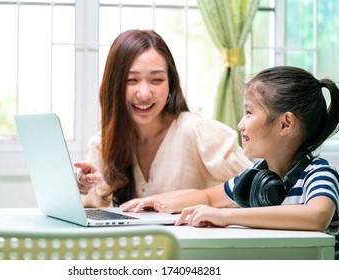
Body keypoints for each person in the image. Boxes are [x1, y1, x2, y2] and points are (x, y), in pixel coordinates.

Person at [121, 66, 339, 259]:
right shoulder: (255, 177)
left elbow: (316, 216)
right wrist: (158, 202)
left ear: (285, 124)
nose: (240, 124)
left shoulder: (319, 174)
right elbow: (208, 197)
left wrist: (226, 216)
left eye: (249, 113)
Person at [75, 29, 252, 208]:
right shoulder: (103, 144)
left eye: (157, 80)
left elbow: (256, 187)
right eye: (132, 80)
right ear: (115, 86)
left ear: (171, 85)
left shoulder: (199, 133)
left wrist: (190, 198)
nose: (144, 94)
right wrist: (86, 187)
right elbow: (95, 209)